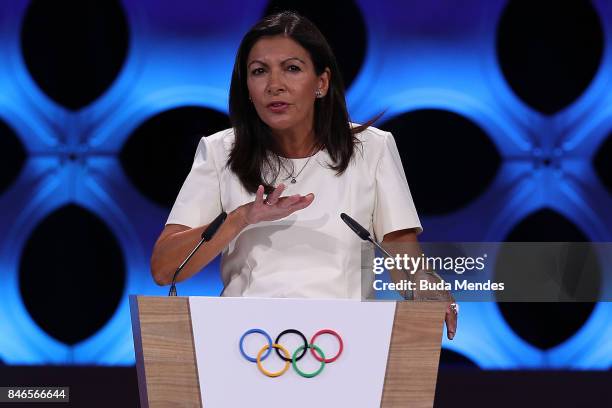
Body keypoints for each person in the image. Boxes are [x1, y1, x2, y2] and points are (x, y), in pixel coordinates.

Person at [150, 11, 457, 339]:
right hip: (246, 344)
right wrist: (240, 218)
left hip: (346, 342)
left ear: (321, 83)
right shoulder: (219, 151)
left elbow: (404, 259)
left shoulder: (372, 148)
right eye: (259, 72)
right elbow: (165, 268)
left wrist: (431, 290)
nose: (274, 85)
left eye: (292, 69)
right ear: (247, 87)